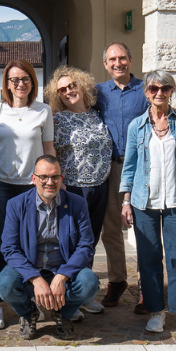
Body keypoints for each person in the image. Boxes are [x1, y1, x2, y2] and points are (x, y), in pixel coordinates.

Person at [119, 70, 176, 340]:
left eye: (165, 88)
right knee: (148, 259)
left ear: (172, 91)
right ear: (146, 92)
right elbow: (130, 166)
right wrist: (125, 201)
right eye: (154, 88)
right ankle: (156, 311)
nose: (159, 93)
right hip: (143, 201)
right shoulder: (137, 125)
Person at [0, 58, 55, 330]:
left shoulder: (43, 111)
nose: (20, 83)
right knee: (0, 244)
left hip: (32, 187)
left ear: (32, 82)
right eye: (14, 79)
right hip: (0, 186)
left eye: (25, 78)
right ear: (7, 84)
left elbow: (49, 151)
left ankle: (31, 301)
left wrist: (54, 182)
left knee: (33, 245)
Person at [0, 155, 99, 339]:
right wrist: (35, 278)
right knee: (4, 284)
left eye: (54, 177)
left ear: (61, 178)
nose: (49, 182)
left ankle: (63, 313)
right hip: (29, 267)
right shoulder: (16, 204)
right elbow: (9, 248)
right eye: (43, 177)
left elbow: (86, 246)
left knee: (89, 283)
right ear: (33, 179)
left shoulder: (77, 203)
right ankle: (29, 313)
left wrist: (61, 277)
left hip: (62, 266)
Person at [47, 65, 110, 318]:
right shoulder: (58, 119)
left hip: (100, 186)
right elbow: (51, 151)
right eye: (62, 90)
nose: (68, 91)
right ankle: (66, 296)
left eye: (72, 85)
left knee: (91, 241)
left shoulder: (97, 114)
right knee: (72, 242)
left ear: (82, 86)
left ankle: (84, 294)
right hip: (73, 188)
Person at [93, 42, 145, 308]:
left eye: (122, 58)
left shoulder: (146, 89)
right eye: (112, 59)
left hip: (142, 167)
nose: (118, 63)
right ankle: (117, 280)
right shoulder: (98, 93)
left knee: (146, 227)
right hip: (111, 168)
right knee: (111, 227)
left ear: (131, 60)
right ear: (105, 64)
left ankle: (147, 284)